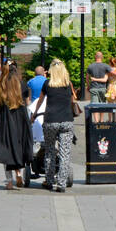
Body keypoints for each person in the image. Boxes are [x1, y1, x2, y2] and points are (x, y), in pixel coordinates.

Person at [0, 62, 33, 189]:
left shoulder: (1, 86)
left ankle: (9, 181)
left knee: (6, 148)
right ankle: (19, 173)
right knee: (19, 146)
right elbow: (27, 103)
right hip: (21, 120)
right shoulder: (23, 85)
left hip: (6, 121)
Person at [40, 60, 78, 192]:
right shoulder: (68, 84)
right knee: (65, 153)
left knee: (49, 151)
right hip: (66, 120)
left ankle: (49, 181)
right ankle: (61, 183)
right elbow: (74, 100)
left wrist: (34, 115)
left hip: (51, 120)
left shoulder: (47, 84)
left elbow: (40, 101)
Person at [86, 51, 110, 122]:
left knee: (94, 105)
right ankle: (101, 120)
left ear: (95, 57)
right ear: (102, 57)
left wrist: (88, 86)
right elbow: (110, 74)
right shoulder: (105, 66)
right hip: (103, 88)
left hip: (94, 88)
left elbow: (87, 77)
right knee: (102, 105)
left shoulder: (90, 66)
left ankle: (96, 121)